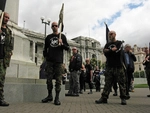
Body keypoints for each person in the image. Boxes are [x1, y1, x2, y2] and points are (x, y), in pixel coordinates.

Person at [41, 22, 70, 105]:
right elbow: (45, 49)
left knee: (58, 80)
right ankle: (49, 95)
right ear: (51, 27)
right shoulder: (48, 37)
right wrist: (46, 56)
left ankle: (57, 98)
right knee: (49, 80)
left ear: (58, 27)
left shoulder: (62, 36)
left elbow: (67, 48)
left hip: (58, 61)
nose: (54, 27)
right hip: (50, 62)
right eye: (53, 26)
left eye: (56, 26)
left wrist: (62, 43)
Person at [95, 30, 127, 105]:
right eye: (109, 34)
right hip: (109, 66)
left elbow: (118, 51)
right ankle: (104, 98)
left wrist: (109, 51)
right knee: (107, 83)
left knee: (121, 83)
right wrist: (111, 50)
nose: (110, 35)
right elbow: (105, 53)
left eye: (111, 34)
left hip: (118, 66)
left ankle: (123, 98)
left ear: (115, 34)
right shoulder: (107, 44)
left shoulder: (119, 43)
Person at [0, 12, 14, 106]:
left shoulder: (9, 31)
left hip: (2, 59)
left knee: (1, 80)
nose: (7, 19)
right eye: (5, 17)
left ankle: (0, 99)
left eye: (8, 17)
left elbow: (10, 46)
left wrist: (9, 55)